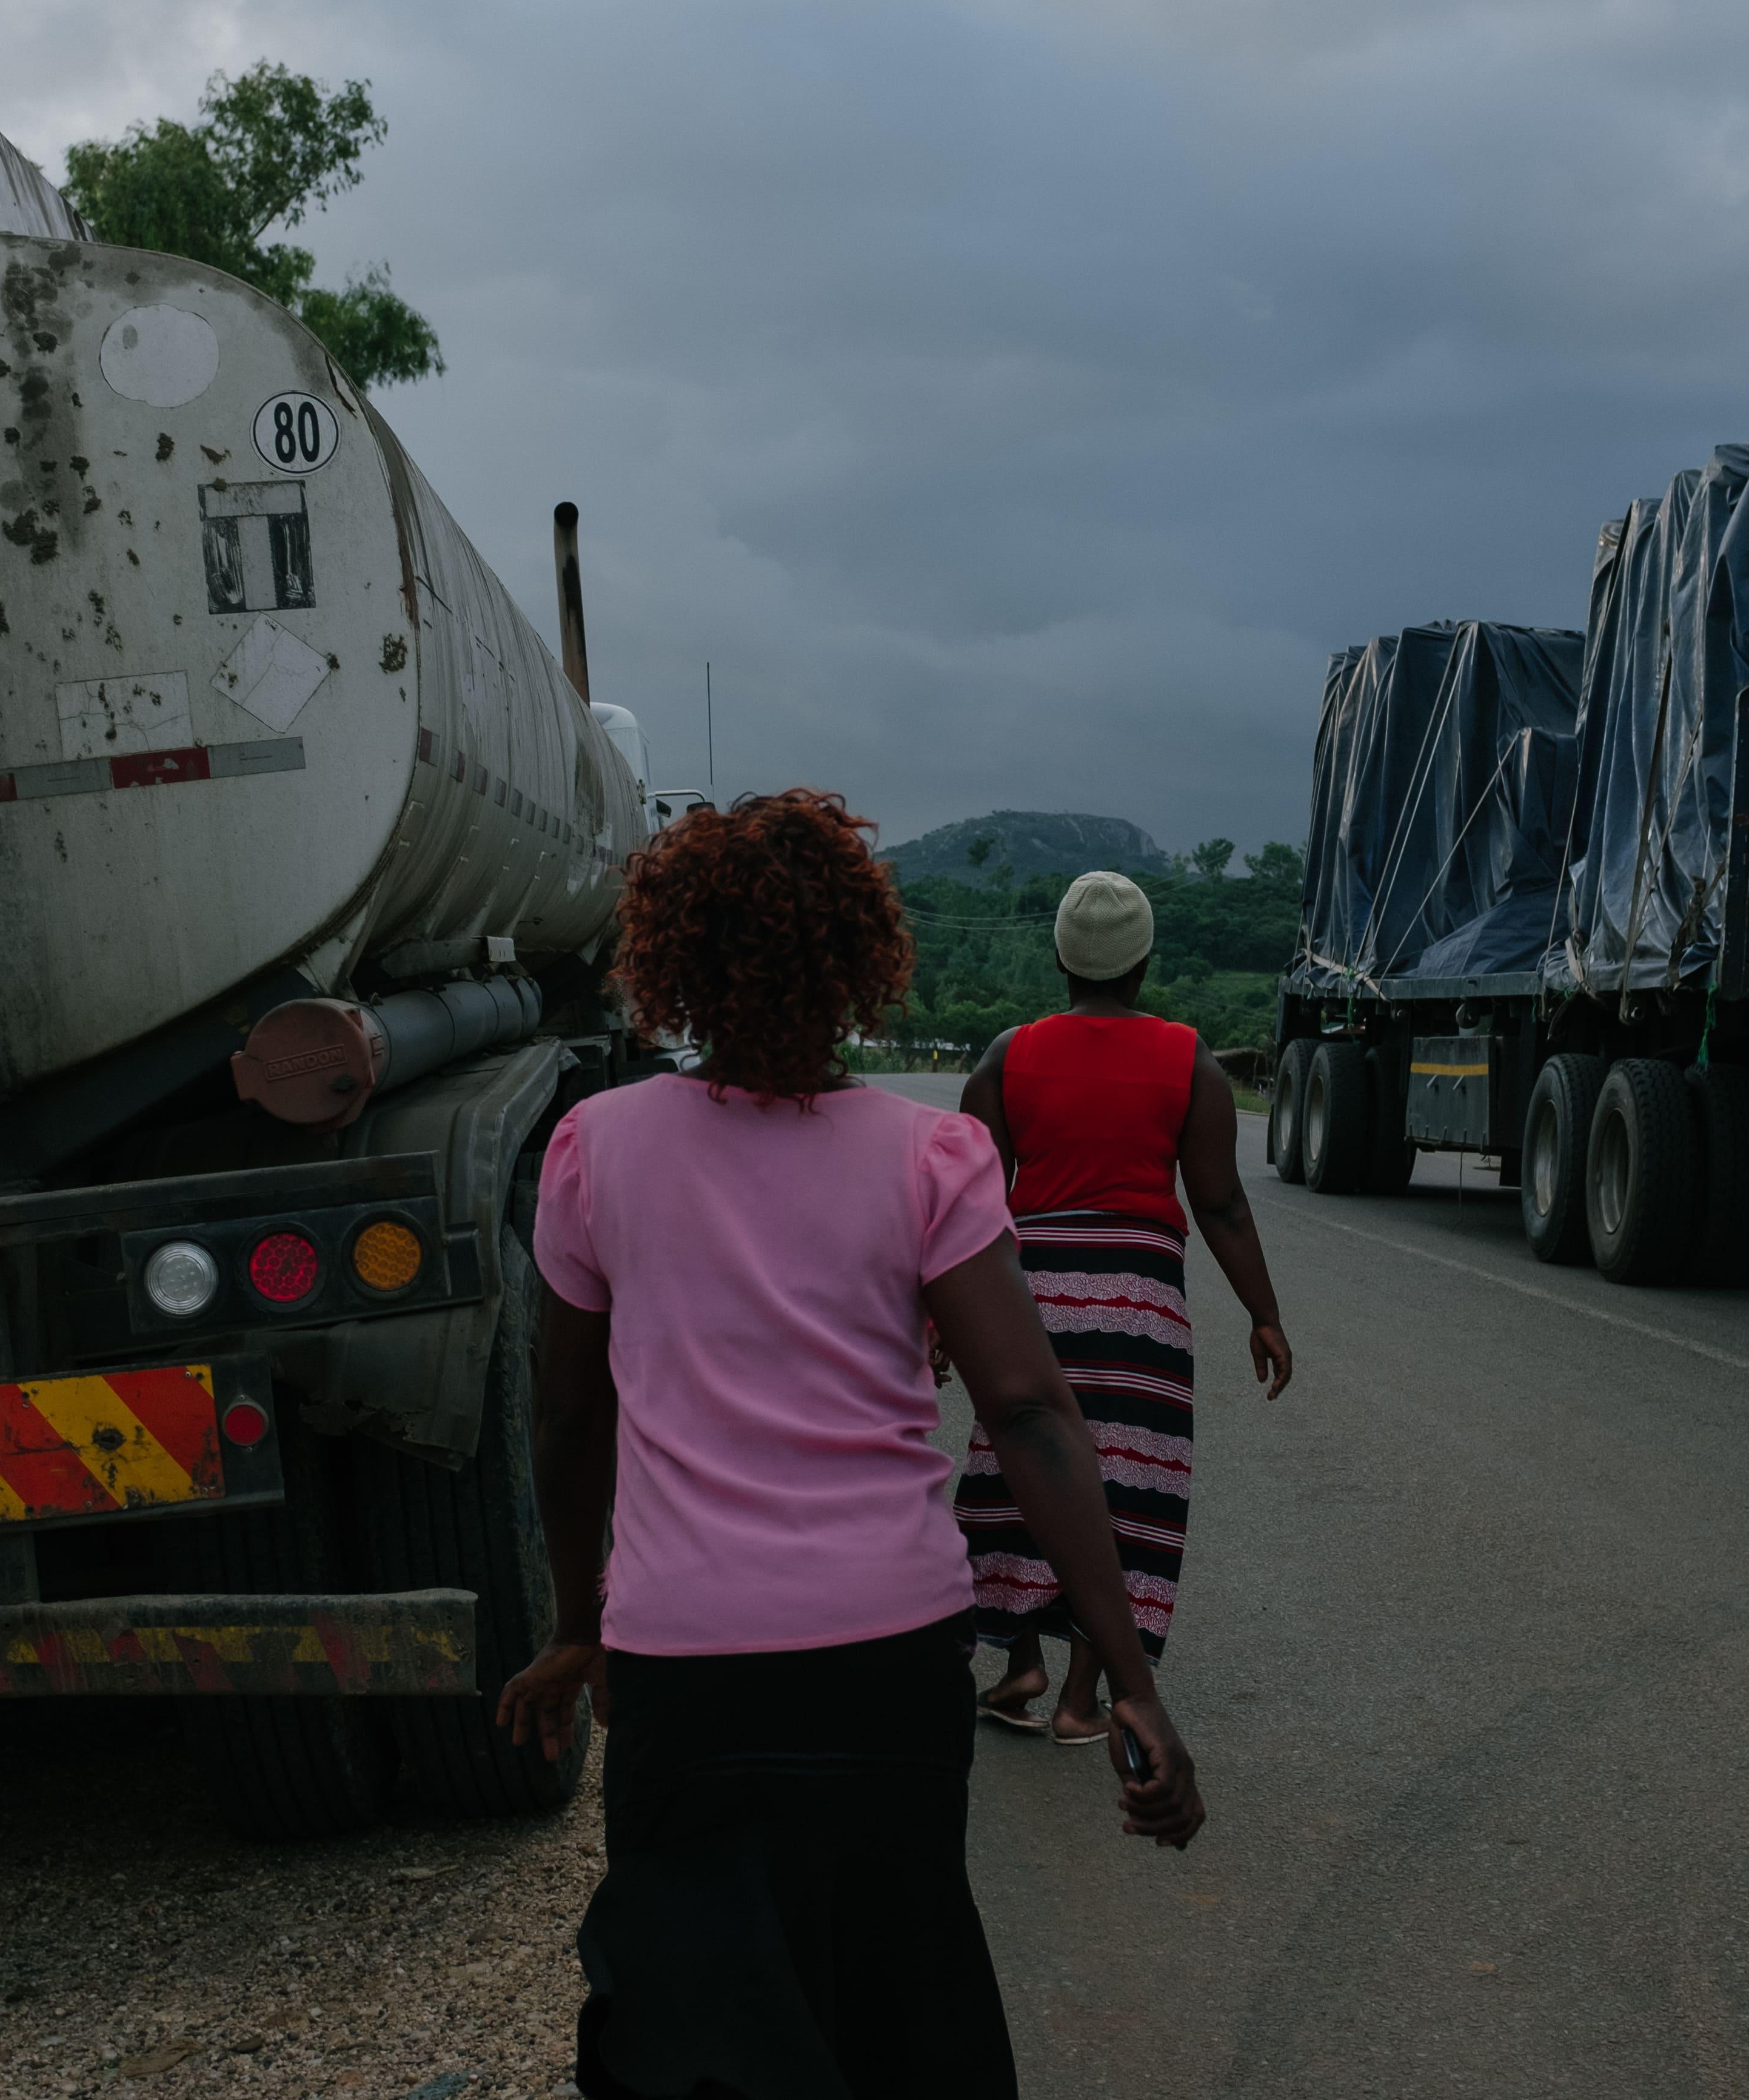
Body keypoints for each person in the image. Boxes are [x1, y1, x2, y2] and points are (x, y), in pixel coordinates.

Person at [493, 790, 1202, 2100]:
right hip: (884, 1667)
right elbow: (1033, 1411)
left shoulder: (600, 1147)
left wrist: (578, 1617)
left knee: (698, 2028)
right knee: (895, 2010)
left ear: (675, 961)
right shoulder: (927, 1152)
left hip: (684, 1672)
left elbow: (567, 1415)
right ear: (860, 959)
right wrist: (1128, 1671)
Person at [955, 869, 1294, 1744]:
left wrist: (938, 1322)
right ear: (1143, 963)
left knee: (1017, 1470)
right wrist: (1263, 1312)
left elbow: (966, 1199)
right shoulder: (1191, 1060)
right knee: (1126, 1482)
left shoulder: (1008, 1054)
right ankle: (1080, 1699)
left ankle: (1018, 1662)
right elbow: (1221, 1204)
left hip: (1030, 1295)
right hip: (1142, 1299)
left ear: (1062, 959)